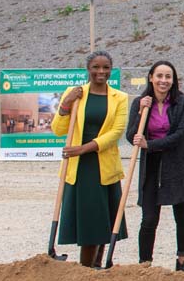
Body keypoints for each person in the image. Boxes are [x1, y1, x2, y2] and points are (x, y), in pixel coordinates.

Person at [51, 50, 129, 268]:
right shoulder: (75, 94)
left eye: (105, 67)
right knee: (88, 224)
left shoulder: (119, 98)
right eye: (96, 67)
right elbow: (58, 130)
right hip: (79, 168)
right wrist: (66, 104)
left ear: (111, 70)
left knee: (103, 220)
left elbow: (115, 133)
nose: (101, 72)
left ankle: (97, 265)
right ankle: (87, 269)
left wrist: (84, 148)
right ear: (88, 69)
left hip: (102, 164)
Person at [126, 60, 184, 271]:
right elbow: (132, 136)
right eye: (159, 76)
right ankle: (145, 263)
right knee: (149, 218)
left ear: (173, 80)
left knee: (182, 215)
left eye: (168, 77)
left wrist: (152, 144)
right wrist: (141, 113)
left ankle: (182, 260)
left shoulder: (181, 102)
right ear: (151, 77)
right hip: (151, 165)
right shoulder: (141, 102)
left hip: (178, 163)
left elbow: (181, 133)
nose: (163, 81)